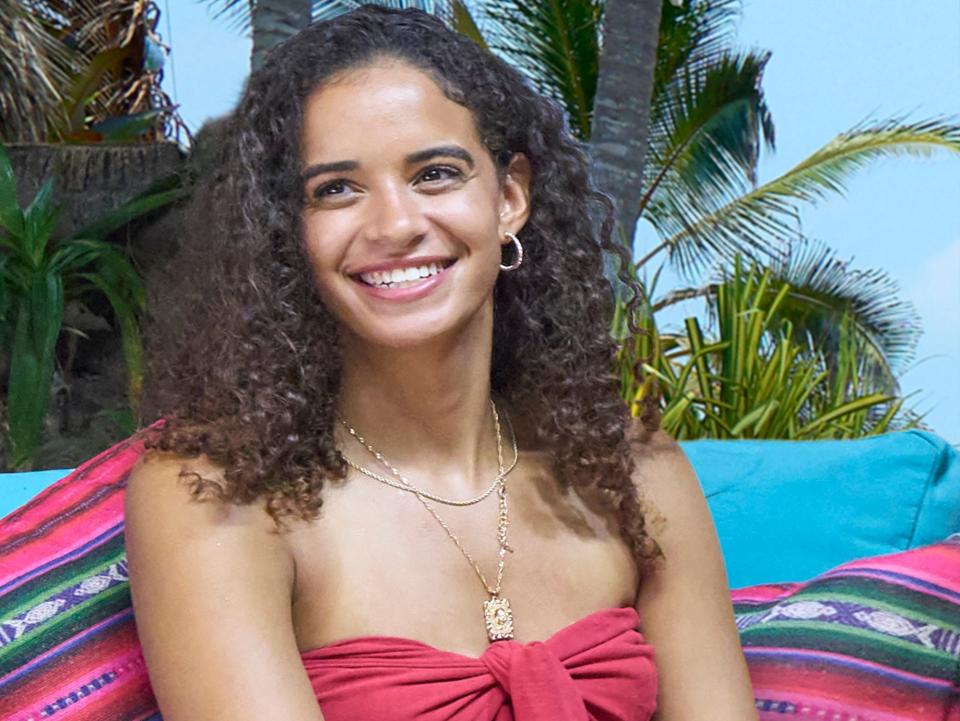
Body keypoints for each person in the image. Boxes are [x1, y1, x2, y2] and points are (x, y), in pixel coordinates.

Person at [124, 6, 758, 720]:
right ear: (285, 232)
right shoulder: (214, 492)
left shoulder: (634, 472)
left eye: (434, 173)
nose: (395, 225)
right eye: (336, 189)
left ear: (510, 197)